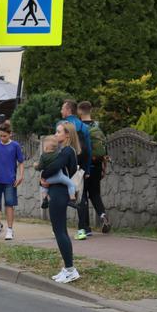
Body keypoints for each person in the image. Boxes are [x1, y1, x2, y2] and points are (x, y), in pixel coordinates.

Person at [40, 121, 82, 283]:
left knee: (59, 231)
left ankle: (71, 269)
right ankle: (68, 267)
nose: (56, 135)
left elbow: (52, 168)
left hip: (59, 192)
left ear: (67, 135)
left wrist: (43, 175)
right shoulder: (63, 151)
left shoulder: (66, 152)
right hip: (57, 191)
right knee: (60, 230)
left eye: (59, 132)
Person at [60, 99, 92, 240]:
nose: (61, 111)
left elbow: (56, 146)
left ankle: (60, 230)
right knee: (81, 197)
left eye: (62, 108)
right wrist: (87, 169)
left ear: (68, 110)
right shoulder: (83, 126)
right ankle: (83, 229)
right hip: (80, 168)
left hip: (65, 168)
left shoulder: (61, 126)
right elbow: (89, 150)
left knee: (60, 197)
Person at [78, 101, 111, 234]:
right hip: (97, 165)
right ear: (90, 110)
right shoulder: (98, 126)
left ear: (80, 111)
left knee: (83, 196)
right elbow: (104, 149)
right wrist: (104, 167)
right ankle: (103, 216)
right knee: (95, 194)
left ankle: (86, 228)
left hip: (83, 166)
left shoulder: (79, 127)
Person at [0, 122, 24, 240]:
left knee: (9, 204)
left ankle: (10, 229)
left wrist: (21, 176)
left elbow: (21, 162)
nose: (2, 138)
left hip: (10, 180)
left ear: (10, 134)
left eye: (4, 136)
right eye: (0, 136)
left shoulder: (15, 146)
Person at [34, 135, 78, 209]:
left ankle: (45, 198)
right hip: (60, 177)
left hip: (49, 179)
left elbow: (40, 167)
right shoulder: (59, 154)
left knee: (43, 186)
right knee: (71, 184)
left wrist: (35, 166)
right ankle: (72, 199)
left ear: (46, 147)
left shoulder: (43, 156)